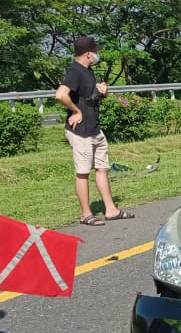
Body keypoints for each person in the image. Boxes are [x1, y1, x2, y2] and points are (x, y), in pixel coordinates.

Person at [56, 35, 134, 226]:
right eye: (96, 52)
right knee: (83, 172)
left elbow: (90, 99)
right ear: (89, 54)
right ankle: (86, 214)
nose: (98, 55)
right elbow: (60, 95)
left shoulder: (88, 71)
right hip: (80, 131)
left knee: (102, 168)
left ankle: (111, 210)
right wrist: (76, 111)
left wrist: (103, 93)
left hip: (94, 128)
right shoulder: (75, 71)